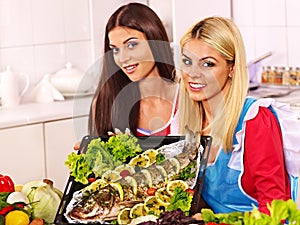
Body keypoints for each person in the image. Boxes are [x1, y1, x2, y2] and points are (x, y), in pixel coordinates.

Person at [177, 16, 300, 216]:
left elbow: (274, 209)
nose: (193, 73)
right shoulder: (190, 122)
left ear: (232, 69)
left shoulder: (254, 120)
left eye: (207, 64)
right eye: (187, 62)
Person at [88, 2, 179, 137]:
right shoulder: (106, 103)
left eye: (132, 45)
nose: (123, 58)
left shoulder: (186, 98)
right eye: (115, 49)